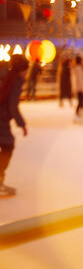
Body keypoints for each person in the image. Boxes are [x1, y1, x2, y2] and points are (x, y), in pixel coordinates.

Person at [0, 54, 28, 196]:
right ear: (22, 70)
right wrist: (22, 124)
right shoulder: (15, 81)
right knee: (7, 145)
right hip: (1, 119)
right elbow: (12, 107)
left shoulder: (4, 74)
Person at [72, 56, 83, 121]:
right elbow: (81, 80)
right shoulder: (79, 69)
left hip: (78, 87)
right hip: (80, 88)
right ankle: (77, 114)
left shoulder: (76, 68)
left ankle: (79, 113)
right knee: (80, 101)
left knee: (81, 101)